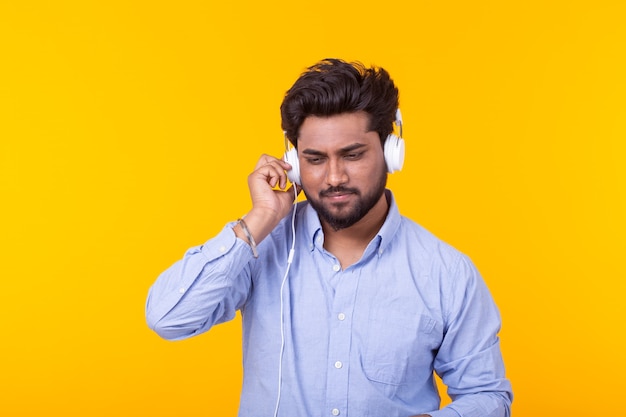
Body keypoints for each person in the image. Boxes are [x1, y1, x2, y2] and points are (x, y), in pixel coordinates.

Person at [146, 58, 513, 417]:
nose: (334, 177)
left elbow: (488, 396)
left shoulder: (447, 272)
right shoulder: (261, 249)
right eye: (316, 159)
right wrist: (259, 219)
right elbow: (169, 318)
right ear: (293, 158)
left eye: (352, 155)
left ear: (390, 152)